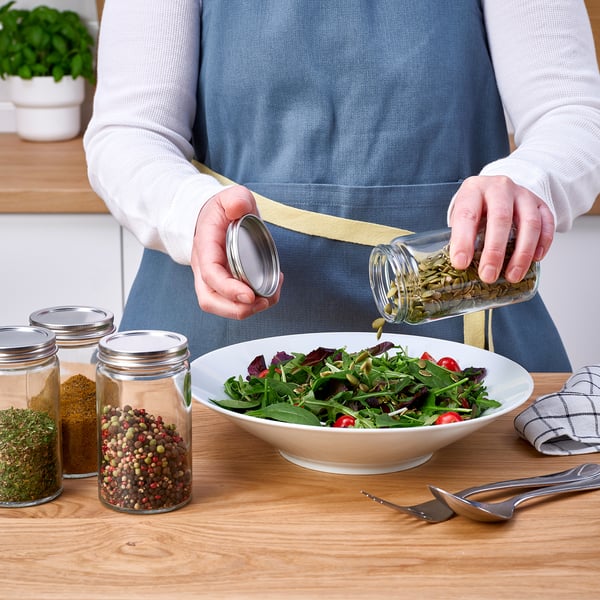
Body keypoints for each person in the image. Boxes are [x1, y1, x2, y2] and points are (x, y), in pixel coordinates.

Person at [84, 0, 600, 371]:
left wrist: (527, 181)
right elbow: (129, 132)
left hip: (456, 307)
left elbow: (572, 113)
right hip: (221, 331)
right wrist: (187, 210)